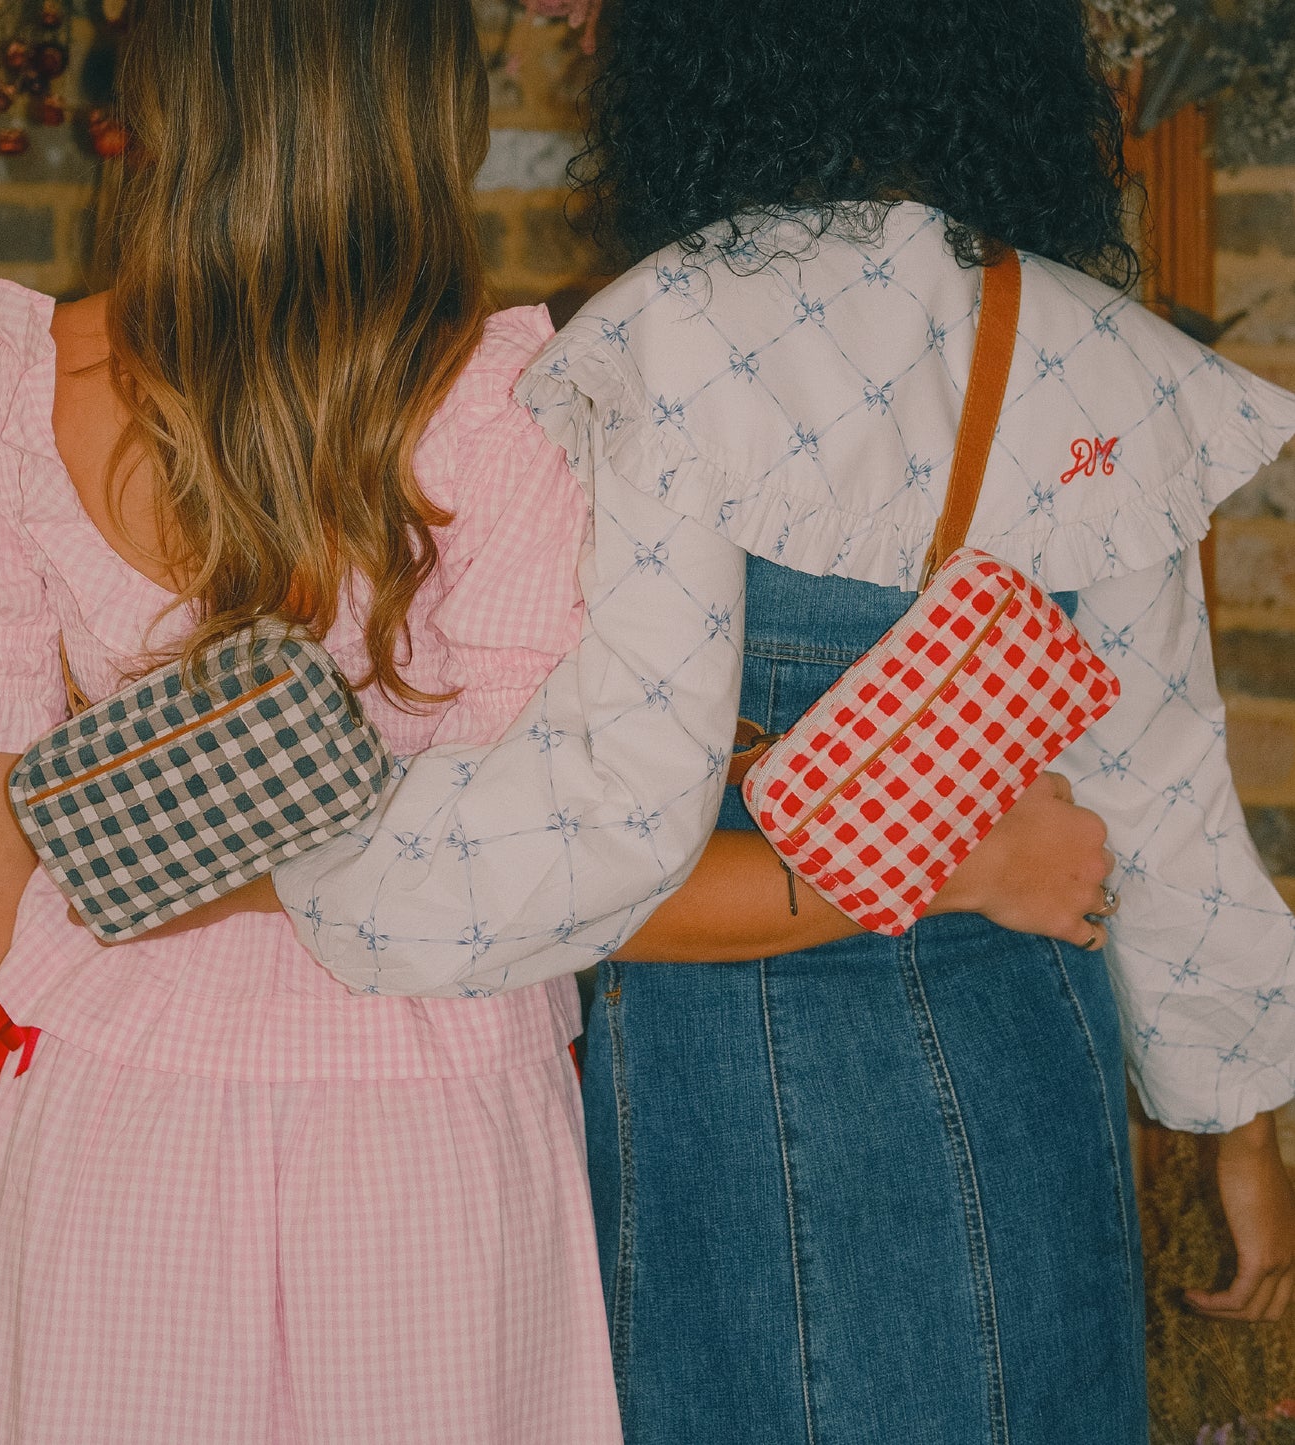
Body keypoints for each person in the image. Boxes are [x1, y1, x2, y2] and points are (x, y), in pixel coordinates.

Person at [264, 2, 1295, 1442]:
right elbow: (1165, 783)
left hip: (755, 1043)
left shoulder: (679, 328)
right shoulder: (1090, 348)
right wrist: (1235, 1124)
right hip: (1028, 1037)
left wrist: (339, 868)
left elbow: (628, 798)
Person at [0, 3, 630, 1440]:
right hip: (432, 1100)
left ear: (164, 111)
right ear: (413, 122)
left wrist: (7, 1135)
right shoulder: (504, 421)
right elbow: (522, 844)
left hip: (110, 1099)